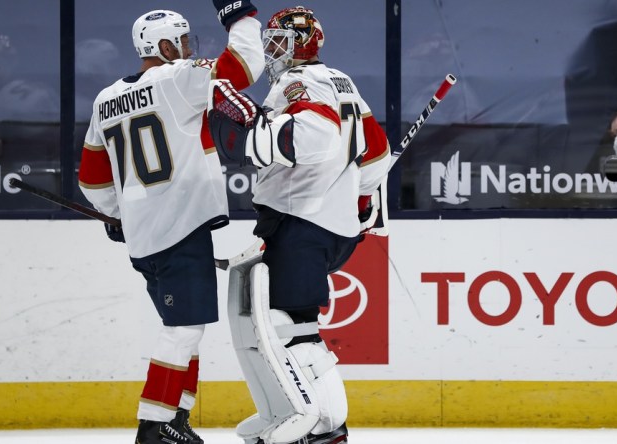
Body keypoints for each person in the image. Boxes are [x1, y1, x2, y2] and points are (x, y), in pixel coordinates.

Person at [77, 2, 263, 443]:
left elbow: (92, 179)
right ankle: (154, 424)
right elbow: (244, 64)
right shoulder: (177, 78)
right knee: (182, 330)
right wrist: (241, 16)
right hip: (180, 227)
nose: (187, 49)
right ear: (163, 46)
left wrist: (118, 214)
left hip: (144, 239)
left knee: (185, 329)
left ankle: (177, 418)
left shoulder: (105, 99)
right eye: (181, 41)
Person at [208, 6, 390, 444]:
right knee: (290, 325)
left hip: (301, 222)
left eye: (279, 41)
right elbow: (378, 153)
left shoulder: (298, 81)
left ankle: (327, 425)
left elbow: (312, 136)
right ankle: (310, 420)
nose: (271, 49)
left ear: (302, 43)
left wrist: (255, 130)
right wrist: (358, 200)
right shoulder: (342, 81)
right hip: (326, 223)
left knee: (292, 328)